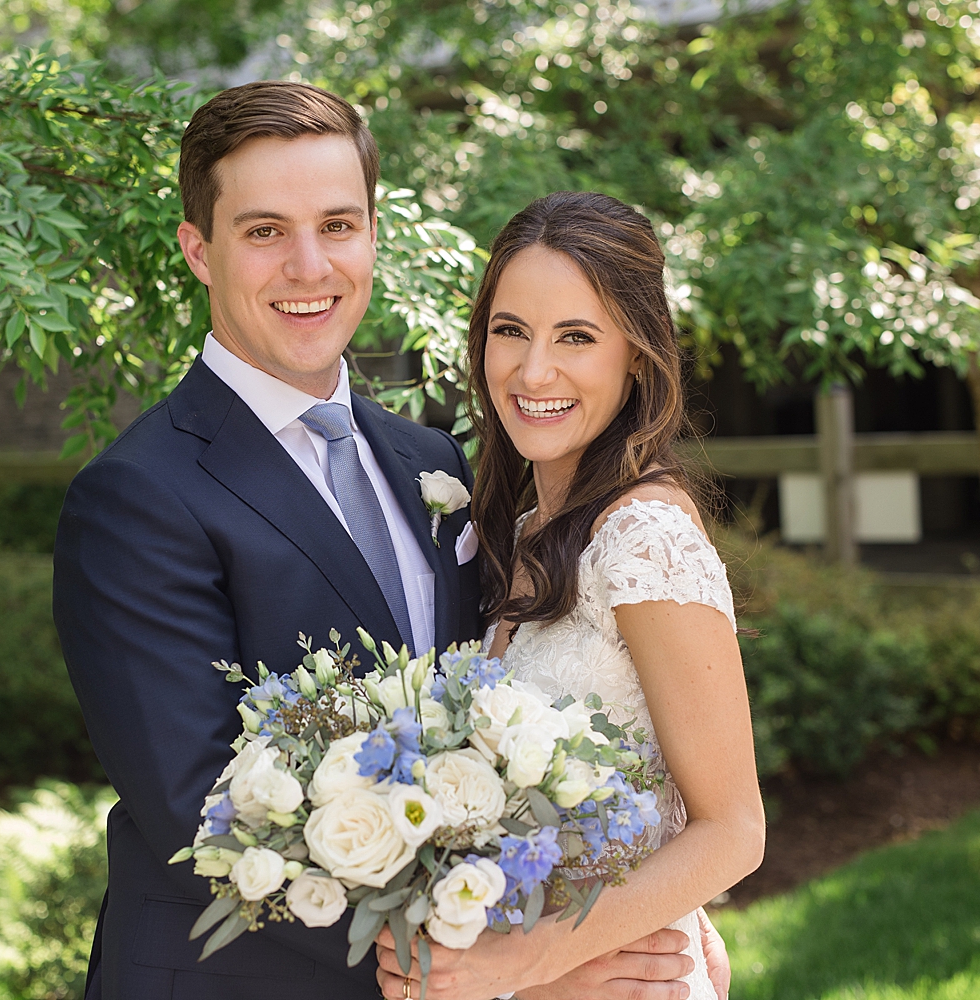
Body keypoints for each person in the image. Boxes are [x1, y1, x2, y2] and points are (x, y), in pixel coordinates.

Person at [54, 84, 725, 999]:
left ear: (372, 236)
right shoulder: (136, 497)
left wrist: (612, 928)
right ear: (198, 250)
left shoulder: (430, 461)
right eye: (263, 232)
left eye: (337, 225)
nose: (308, 265)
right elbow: (202, 820)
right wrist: (492, 975)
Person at [374, 192, 765, 1000]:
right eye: (510, 330)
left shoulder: (643, 538)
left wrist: (526, 964)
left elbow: (734, 831)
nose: (533, 370)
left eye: (576, 338)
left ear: (637, 355)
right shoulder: (522, 533)